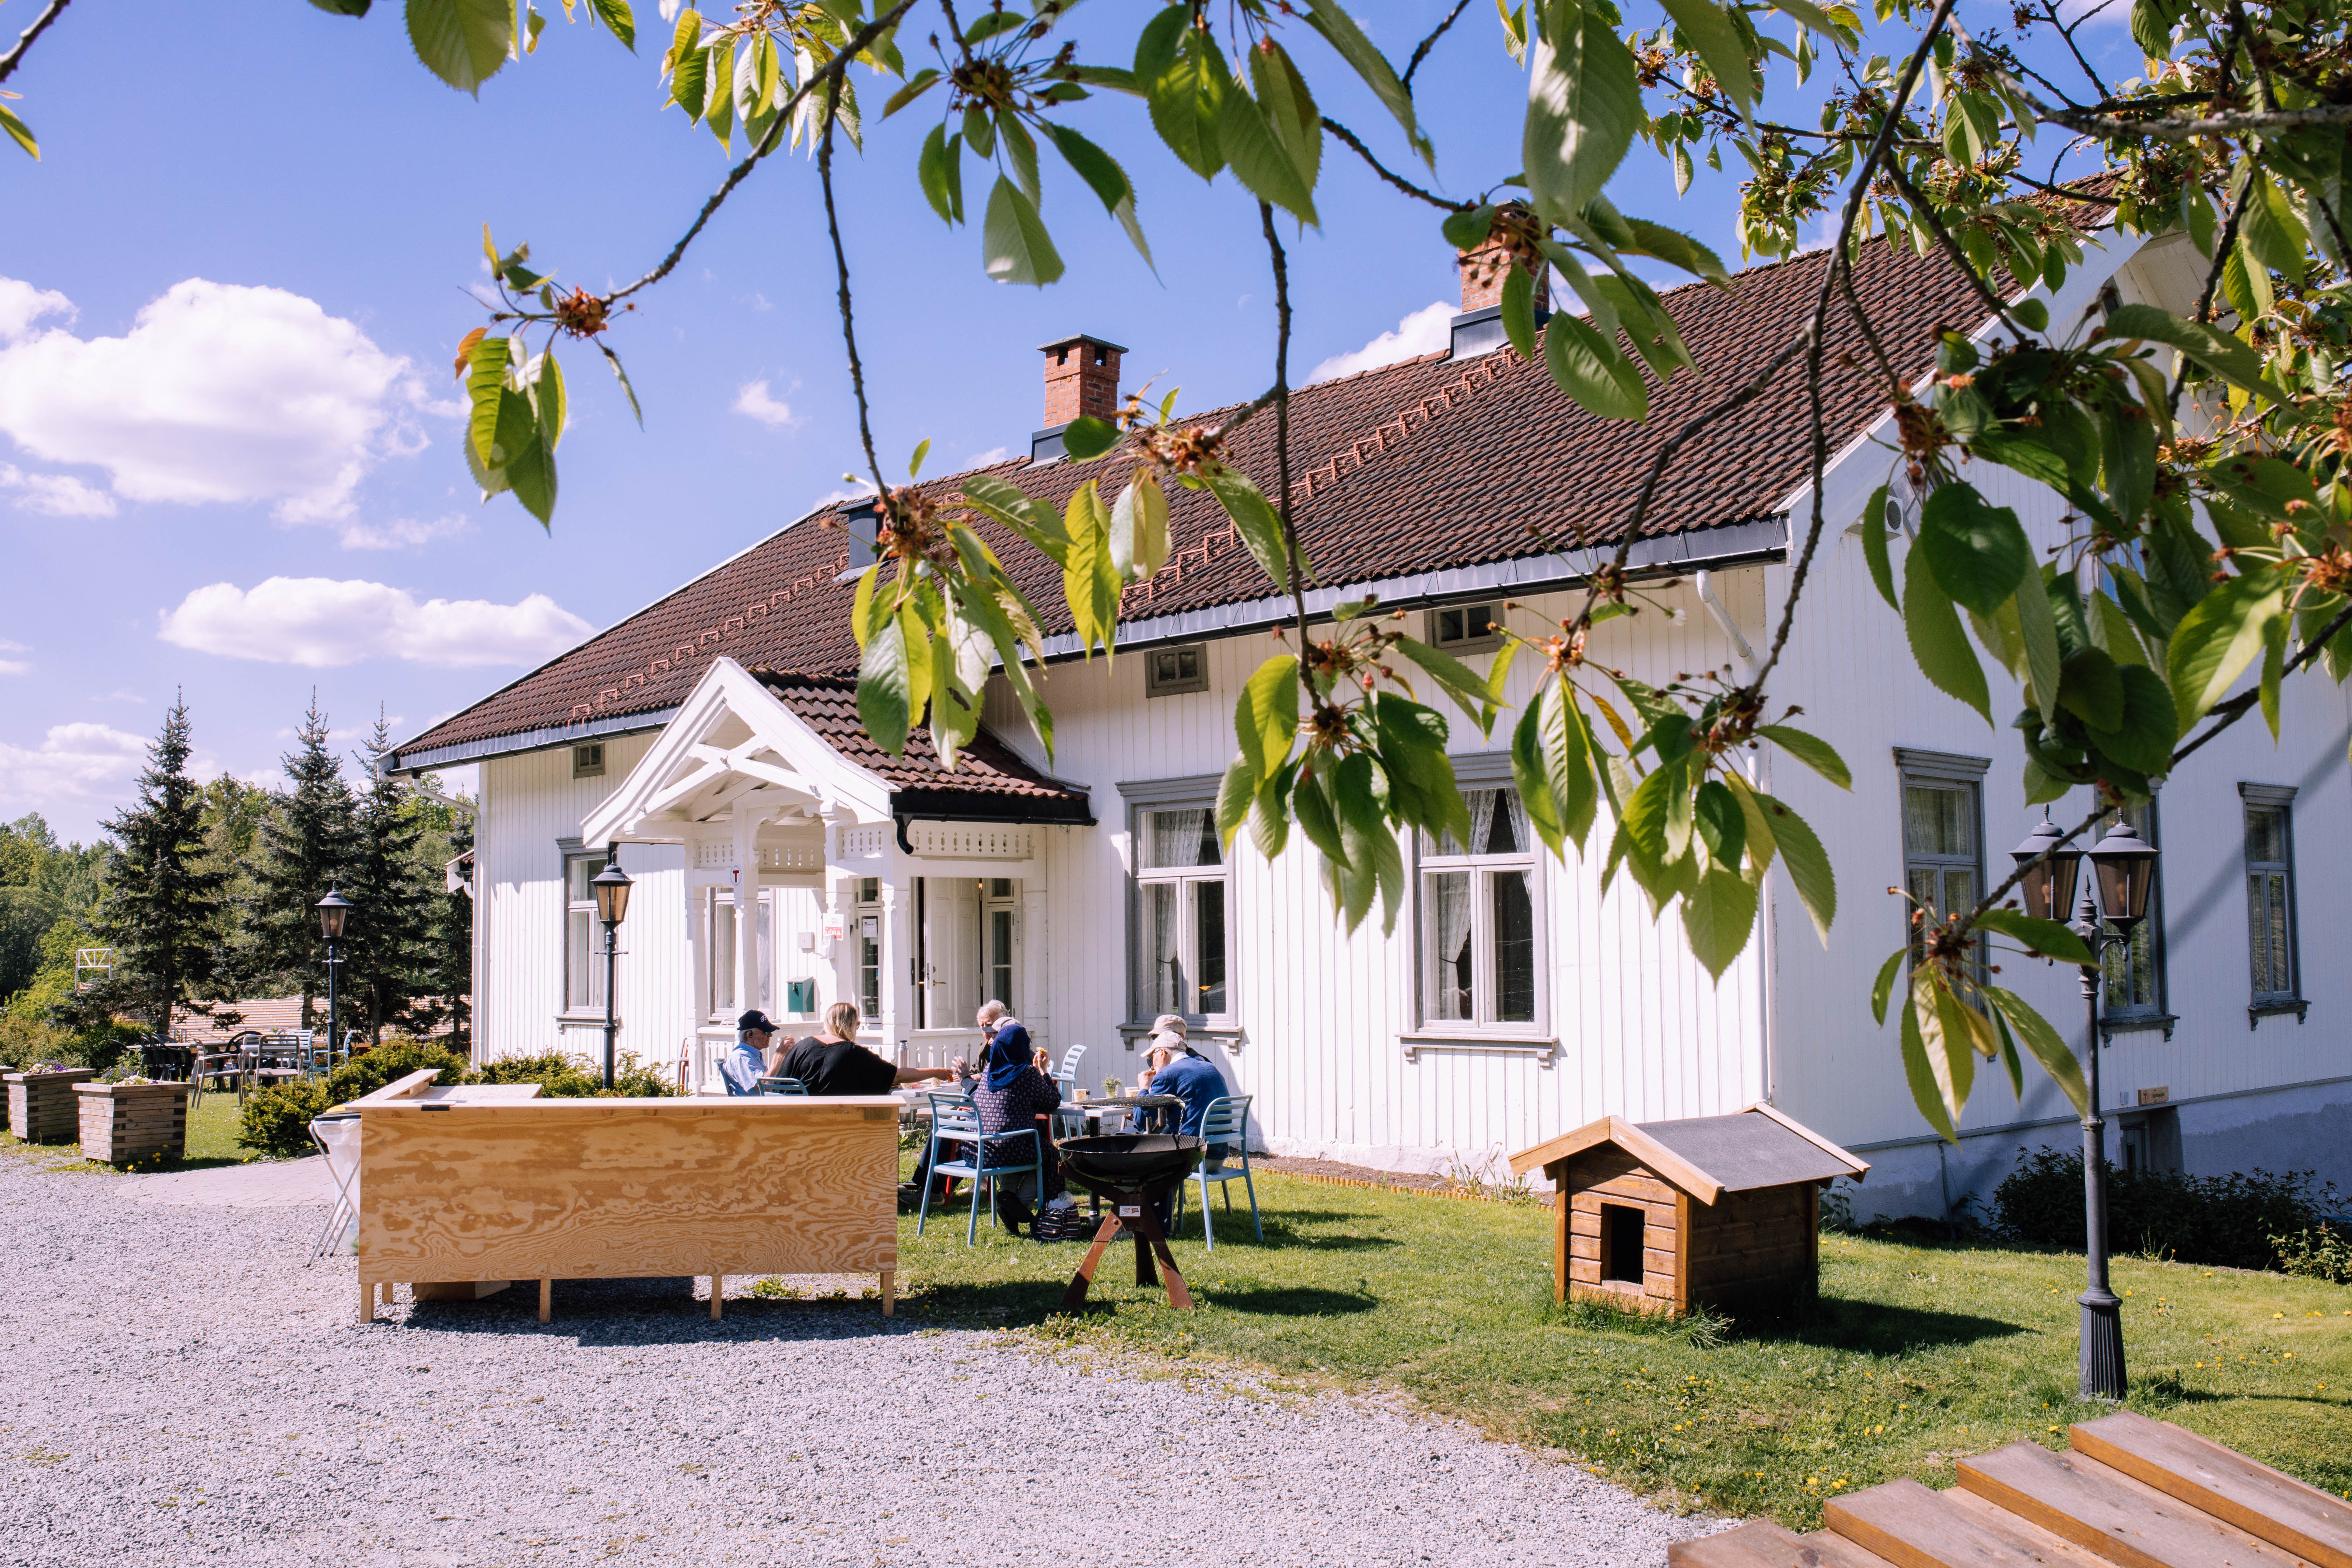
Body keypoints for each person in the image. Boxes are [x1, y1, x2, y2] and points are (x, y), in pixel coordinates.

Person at [954, 1001, 1063, 1236]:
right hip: (1007, 1146)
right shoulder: (1026, 1073)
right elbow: (1052, 1102)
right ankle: (1017, 1205)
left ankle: (1009, 1197)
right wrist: (1044, 1071)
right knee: (1051, 1155)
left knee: (1010, 1143)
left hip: (978, 1149)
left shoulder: (989, 1071)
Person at [1144, 1044, 1232, 1233]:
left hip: (1195, 1159)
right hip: (1219, 1156)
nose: (1152, 1064)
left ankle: (1157, 1225)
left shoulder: (1168, 1073)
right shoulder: (1209, 1067)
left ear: (1163, 1053)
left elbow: (1141, 1118)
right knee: (1168, 1143)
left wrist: (1144, 1089)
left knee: (1150, 1158)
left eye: (1153, 1057)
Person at [780, 1003, 960, 1096]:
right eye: (857, 1024)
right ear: (849, 1025)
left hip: (797, 1122)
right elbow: (897, 1075)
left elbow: (778, 1084)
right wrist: (937, 1071)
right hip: (838, 1125)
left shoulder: (801, 1048)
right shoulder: (853, 1053)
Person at [721, 1011, 778, 1096]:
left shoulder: (752, 1055)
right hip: (755, 1107)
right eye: (765, 1032)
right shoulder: (741, 1056)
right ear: (749, 1035)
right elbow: (764, 1087)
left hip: (764, 1105)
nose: (770, 1035)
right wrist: (778, 1058)